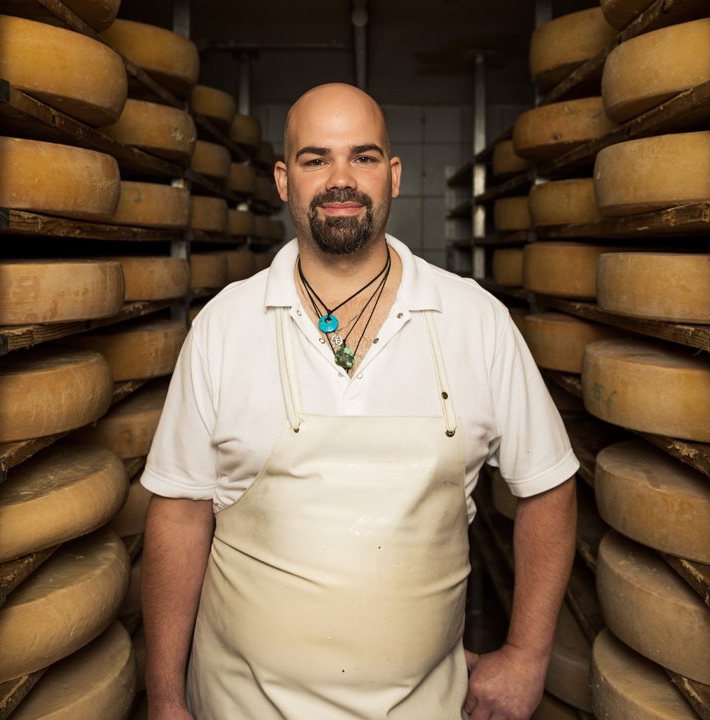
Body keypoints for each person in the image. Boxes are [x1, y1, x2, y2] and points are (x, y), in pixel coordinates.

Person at [140, 82, 579, 720]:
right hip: (239, 705)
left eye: (363, 157)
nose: (341, 178)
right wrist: (165, 697)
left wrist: (528, 654)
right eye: (316, 159)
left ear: (394, 175)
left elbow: (549, 487)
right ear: (284, 180)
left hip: (423, 706)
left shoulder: (472, 319)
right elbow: (179, 515)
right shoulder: (225, 325)